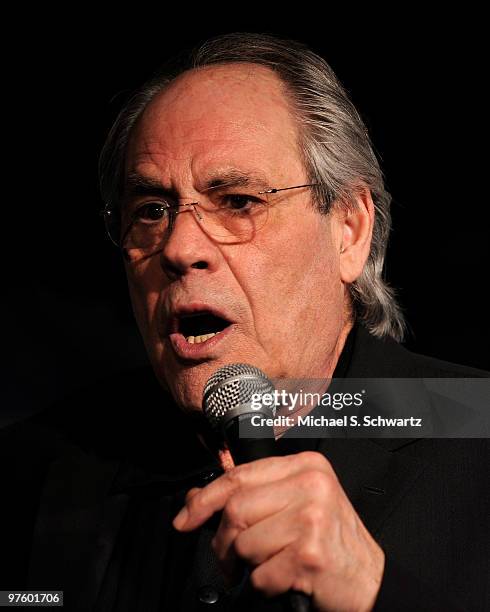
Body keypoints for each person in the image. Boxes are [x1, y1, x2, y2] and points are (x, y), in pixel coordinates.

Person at [1, 33, 488, 611]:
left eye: (238, 201)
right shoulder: (33, 467)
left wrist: (374, 596)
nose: (180, 247)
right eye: (151, 211)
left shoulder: (473, 438)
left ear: (350, 230)